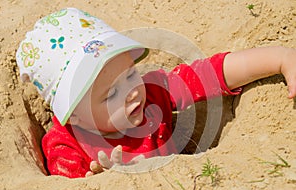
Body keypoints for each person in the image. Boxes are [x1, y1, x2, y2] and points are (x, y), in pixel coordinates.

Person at [16, 8, 296, 178]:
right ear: (74, 115)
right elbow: (64, 187)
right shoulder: (66, 147)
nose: (132, 93)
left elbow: (215, 71)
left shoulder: (154, 92)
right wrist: (102, 182)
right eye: (110, 94)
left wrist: (281, 58)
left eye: (130, 74)